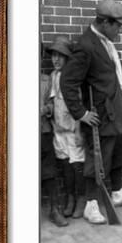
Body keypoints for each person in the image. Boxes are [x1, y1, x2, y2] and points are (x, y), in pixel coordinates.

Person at [60, 0, 122, 225]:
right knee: (98, 161)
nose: (120, 30)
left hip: (117, 112)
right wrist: (81, 113)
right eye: (117, 26)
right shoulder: (87, 45)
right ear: (105, 22)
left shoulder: (105, 41)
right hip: (101, 116)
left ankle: (117, 193)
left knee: (118, 155)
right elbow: (67, 82)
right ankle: (91, 204)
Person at [46, 36, 86, 220]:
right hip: (59, 130)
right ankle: (70, 198)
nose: (56, 59)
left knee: (77, 165)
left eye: (60, 56)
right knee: (65, 166)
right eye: (54, 55)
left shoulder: (72, 77)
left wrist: (78, 130)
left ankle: (80, 199)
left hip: (72, 130)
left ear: (68, 58)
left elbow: (78, 105)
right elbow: (54, 101)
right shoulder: (54, 76)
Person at [40, 70, 68, 227]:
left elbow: (52, 103)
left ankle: (54, 210)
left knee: (49, 171)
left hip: (43, 130)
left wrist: (45, 109)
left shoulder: (46, 80)